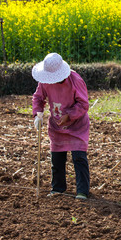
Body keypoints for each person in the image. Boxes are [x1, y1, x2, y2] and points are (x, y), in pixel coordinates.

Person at [32, 53, 91, 200]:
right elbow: (38, 98)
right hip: (57, 125)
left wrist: (69, 115)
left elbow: (83, 103)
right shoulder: (45, 81)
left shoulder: (75, 80)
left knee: (79, 157)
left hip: (77, 124)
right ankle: (58, 188)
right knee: (57, 158)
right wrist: (37, 114)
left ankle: (82, 191)